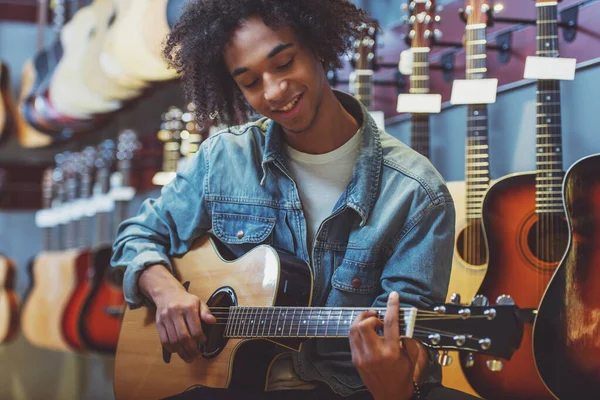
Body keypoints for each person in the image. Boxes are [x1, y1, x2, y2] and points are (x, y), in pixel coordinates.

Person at [111, 1, 476, 399]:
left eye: (284, 63)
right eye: (250, 82)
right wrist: (166, 291)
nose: (273, 91)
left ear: (317, 46)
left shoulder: (416, 193)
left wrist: (395, 379)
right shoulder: (223, 160)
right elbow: (135, 238)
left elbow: (408, 334)